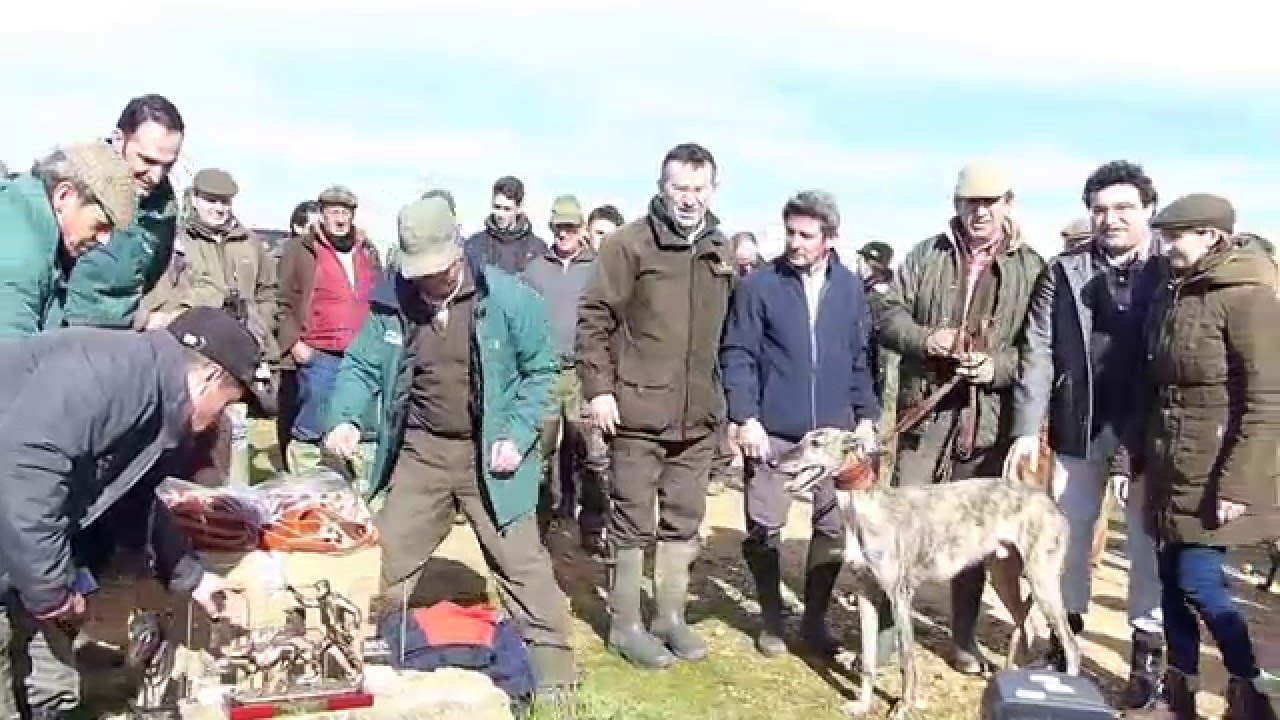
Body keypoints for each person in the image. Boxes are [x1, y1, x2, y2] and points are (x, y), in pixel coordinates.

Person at [322, 196, 574, 699]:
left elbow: (542, 375)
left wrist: (519, 435)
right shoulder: (393, 300)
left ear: (458, 248)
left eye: (437, 271)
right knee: (383, 559)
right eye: (418, 273)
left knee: (522, 565)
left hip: (492, 454)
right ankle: (363, 656)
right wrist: (346, 418)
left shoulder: (509, 299)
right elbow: (361, 365)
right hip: (423, 451)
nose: (427, 282)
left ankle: (556, 677)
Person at [0, 307, 259, 718]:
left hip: (22, 539)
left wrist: (190, 577)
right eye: (225, 405)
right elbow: (27, 474)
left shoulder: (154, 401)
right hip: (16, 524)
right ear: (207, 378)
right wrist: (52, 594)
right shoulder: (112, 378)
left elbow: (133, 499)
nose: (217, 421)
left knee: (52, 690)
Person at [874, 161, 1045, 673]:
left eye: (990, 202)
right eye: (972, 202)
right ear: (957, 206)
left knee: (973, 537)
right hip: (924, 417)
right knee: (900, 527)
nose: (981, 212)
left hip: (986, 421)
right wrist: (929, 339)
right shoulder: (925, 256)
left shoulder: (1031, 267)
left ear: (1007, 204)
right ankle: (887, 632)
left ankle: (963, 637)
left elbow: (1036, 351)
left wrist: (993, 367)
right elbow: (887, 315)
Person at [1007, 161, 1166, 708]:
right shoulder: (1064, 270)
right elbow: (1038, 352)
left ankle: (1148, 662)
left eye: (1123, 208)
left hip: (1149, 434)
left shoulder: (1170, 271)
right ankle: (1063, 641)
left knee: (1145, 548)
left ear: (1147, 210)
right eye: (1100, 209)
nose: (1110, 218)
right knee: (1065, 542)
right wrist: (1027, 429)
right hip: (1079, 427)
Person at [1117, 195, 1278, 720]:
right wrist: (1129, 457)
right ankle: (1178, 696)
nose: (1167, 244)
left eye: (1178, 235)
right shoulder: (1173, 294)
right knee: (1170, 586)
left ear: (1212, 236)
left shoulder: (1249, 298)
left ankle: (1250, 692)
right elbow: (1152, 387)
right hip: (1169, 467)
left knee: (1201, 584)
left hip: (1216, 473)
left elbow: (1267, 400)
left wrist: (1237, 484)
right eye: (1164, 235)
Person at [576, 142, 734, 669]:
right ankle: (625, 625)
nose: (689, 199)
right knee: (632, 521)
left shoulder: (719, 248)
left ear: (713, 189)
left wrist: (724, 411)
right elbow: (594, 317)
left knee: (683, 521)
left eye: (699, 188)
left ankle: (669, 618)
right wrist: (598, 389)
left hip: (697, 416)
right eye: (679, 188)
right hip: (636, 411)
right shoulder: (628, 244)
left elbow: (727, 335)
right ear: (662, 187)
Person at [721, 190, 879, 658]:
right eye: (790, 231)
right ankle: (771, 619)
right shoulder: (760, 285)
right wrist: (744, 417)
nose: (795, 242)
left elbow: (859, 360)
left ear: (830, 239)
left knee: (832, 529)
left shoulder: (850, 288)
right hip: (773, 428)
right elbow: (739, 354)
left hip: (835, 438)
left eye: (806, 235)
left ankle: (814, 619)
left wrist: (867, 415)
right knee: (764, 526)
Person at [277, 185, 382, 490]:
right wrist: (295, 345)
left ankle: (361, 494)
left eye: (346, 212)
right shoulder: (301, 250)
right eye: (334, 212)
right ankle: (304, 493)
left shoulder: (366, 250)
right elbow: (281, 300)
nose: (340, 219)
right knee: (312, 426)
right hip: (319, 353)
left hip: (361, 356)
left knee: (364, 425)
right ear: (322, 215)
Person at [522, 194, 610, 556]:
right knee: (538, 454)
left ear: (582, 229)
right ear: (551, 227)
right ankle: (536, 531)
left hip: (583, 373)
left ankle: (593, 527)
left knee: (593, 454)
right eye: (559, 226)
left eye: (571, 227)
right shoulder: (534, 270)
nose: (564, 233)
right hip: (544, 373)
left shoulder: (598, 270)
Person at [61, 94, 185, 331]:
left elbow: (151, 272)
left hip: (117, 341)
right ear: (119, 139)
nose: (156, 176)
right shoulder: (73, 185)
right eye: (147, 160)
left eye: (168, 165)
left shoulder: (162, 207)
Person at [0, 143, 138, 338]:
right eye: (99, 225)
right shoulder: (19, 244)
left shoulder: (39, 234)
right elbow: (10, 353)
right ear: (64, 195)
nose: (103, 240)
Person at [463, 175, 548, 274]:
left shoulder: (537, 249)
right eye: (497, 207)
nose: (500, 215)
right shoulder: (474, 245)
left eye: (507, 209)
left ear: (519, 208)